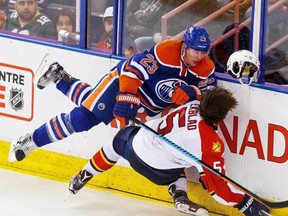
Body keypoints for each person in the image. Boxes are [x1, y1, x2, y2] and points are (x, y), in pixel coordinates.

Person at [8, 26, 216, 164]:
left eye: (203, 52)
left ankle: (59, 76)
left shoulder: (206, 66)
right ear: (184, 47)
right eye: (194, 51)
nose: (199, 56)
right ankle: (32, 141)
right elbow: (133, 71)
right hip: (123, 82)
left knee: (92, 104)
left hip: (150, 104)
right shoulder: (166, 52)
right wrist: (127, 96)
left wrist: (194, 91)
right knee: (84, 119)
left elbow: (207, 91)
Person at [67, 87, 270, 216]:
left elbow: (195, 93)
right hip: (159, 172)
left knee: (116, 142)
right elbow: (217, 190)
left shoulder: (192, 104)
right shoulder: (209, 143)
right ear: (221, 116)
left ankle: (84, 174)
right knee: (178, 164)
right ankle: (179, 195)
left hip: (135, 146)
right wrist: (244, 203)